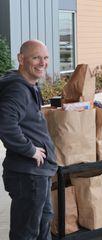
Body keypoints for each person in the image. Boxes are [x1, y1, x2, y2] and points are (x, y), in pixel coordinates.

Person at [0, 40, 57, 240]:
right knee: (26, 232)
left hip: (36, 173)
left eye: (45, 57)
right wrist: (30, 150)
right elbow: (5, 124)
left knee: (43, 221)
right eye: (36, 58)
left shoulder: (27, 84)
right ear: (21, 59)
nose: (42, 63)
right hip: (29, 175)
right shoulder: (18, 89)